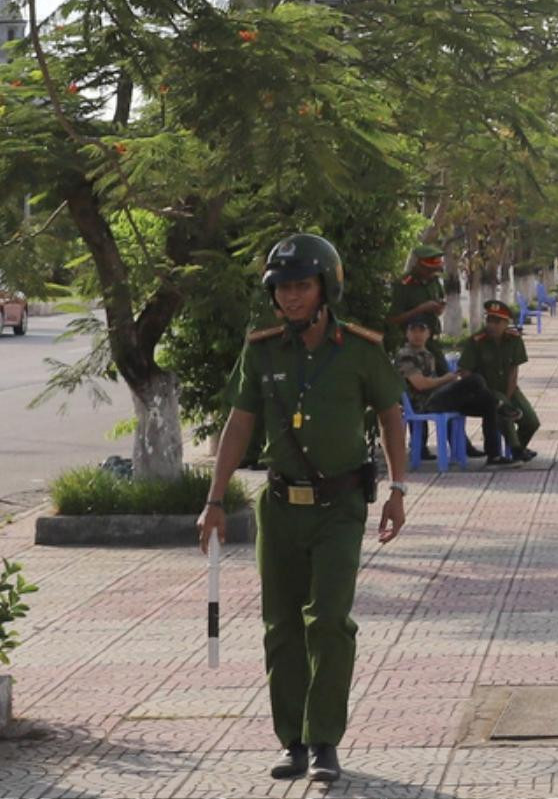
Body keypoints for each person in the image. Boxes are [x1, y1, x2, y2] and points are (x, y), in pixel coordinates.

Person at [196, 233, 409, 784]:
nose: (291, 298)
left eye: (301, 286)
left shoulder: (360, 350)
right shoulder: (262, 349)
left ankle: (324, 742)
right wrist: (215, 500)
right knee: (281, 625)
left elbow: (390, 414)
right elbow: (239, 423)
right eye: (283, 288)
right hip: (279, 506)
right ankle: (291, 741)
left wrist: (398, 489)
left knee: (330, 622)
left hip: (340, 507)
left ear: (325, 287)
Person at [387, 244, 485, 459]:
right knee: (418, 392)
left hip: (432, 342)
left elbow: (440, 303)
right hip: (412, 343)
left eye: (436, 269)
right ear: (419, 265)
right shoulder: (404, 285)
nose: (433, 273)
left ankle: (459, 442)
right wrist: (421, 310)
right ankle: (419, 447)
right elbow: (394, 319)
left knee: (449, 388)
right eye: (429, 269)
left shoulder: (433, 282)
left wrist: (438, 309)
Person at [394, 314, 517, 468]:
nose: (417, 335)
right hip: (425, 404)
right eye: (413, 331)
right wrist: (446, 379)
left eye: (421, 330)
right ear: (407, 333)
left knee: (487, 403)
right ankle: (501, 405)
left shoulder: (427, 354)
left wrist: (450, 382)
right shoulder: (406, 355)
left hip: (441, 400)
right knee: (475, 380)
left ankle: (494, 456)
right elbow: (421, 385)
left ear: (428, 333)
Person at [458, 300, 540, 461]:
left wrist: (508, 397)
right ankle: (516, 451)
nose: (492, 325)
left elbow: (513, 371)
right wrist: (480, 392)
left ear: (506, 323)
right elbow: (465, 372)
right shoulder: (476, 341)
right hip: (485, 391)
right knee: (505, 412)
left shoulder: (514, 339)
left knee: (531, 421)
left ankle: (519, 446)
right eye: (489, 320)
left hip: (509, 388)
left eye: (497, 322)